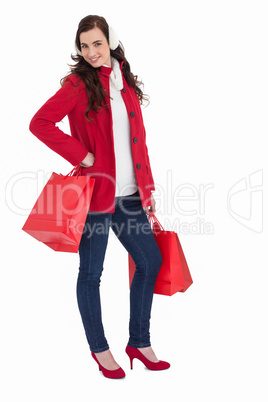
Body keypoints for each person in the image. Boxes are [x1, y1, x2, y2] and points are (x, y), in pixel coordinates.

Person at [29, 15, 170, 379]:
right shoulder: (78, 85)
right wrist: (83, 155)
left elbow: (138, 142)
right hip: (96, 196)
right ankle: (100, 349)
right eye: (85, 45)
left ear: (111, 42)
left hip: (129, 196)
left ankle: (139, 342)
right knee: (91, 274)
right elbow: (40, 123)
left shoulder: (125, 84)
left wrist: (147, 187)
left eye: (98, 43)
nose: (91, 51)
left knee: (150, 262)